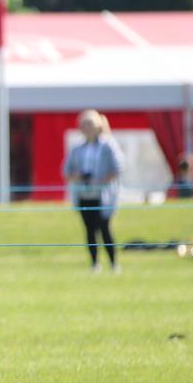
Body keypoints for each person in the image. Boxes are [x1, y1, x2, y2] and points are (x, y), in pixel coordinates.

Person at [63, 110, 123, 273]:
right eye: (84, 125)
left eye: (90, 124)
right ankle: (95, 264)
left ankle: (113, 264)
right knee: (89, 230)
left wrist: (99, 180)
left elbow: (117, 169)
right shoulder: (77, 149)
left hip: (103, 196)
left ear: (98, 126)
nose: (86, 128)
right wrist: (80, 177)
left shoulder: (108, 146)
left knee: (104, 229)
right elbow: (66, 171)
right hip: (84, 195)